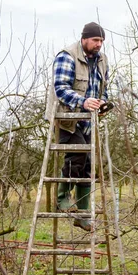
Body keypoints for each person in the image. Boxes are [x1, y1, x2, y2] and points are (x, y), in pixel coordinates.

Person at [45, 21, 109, 231]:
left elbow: (103, 89)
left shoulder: (102, 60)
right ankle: (62, 199)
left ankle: (82, 215)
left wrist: (103, 102)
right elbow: (60, 88)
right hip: (67, 118)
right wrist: (82, 101)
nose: (99, 44)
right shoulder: (67, 55)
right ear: (84, 39)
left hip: (89, 121)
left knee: (89, 166)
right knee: (77, 155)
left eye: (101, 40)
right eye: (95, 40)